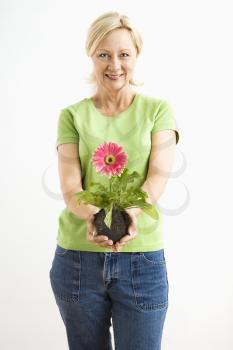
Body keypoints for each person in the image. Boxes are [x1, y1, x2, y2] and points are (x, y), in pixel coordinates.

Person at [49, 11, 180, 350]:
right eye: (104, 54)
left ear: (136, 55)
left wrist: (131, 214)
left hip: (142, 260)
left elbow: (157, 178)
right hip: (78, 260)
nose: (115, 65)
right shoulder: (73, 115)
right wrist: (95, 218)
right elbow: (70, 187)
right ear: (91, 54)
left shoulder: (158, 110)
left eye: (124, 54)